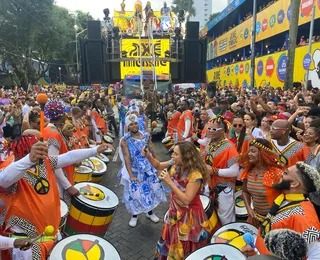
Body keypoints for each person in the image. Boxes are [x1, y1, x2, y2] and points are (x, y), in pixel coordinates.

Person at [0, 132, 110, 259]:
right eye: (36, 150)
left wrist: (95, 150)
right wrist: (29, 160)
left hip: (51, 237)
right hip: (27, 246)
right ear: (24, 151)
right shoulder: (11, 169)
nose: (42, 153)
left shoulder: (44, 162)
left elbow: (69, 157)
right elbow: (4, 180)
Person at [143, 142, 210, 260]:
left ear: (186, 157)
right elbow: (158, 165)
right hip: (175, 212)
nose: (172, 156)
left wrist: (169, 182)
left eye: (175, 154)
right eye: (173, 153)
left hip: (189, 216)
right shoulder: (175, 164)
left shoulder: (195, 175)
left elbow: (186, 200)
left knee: (184, 247)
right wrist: (148, 156)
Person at [241, 162, 320, 256]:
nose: (281, 173)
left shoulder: (303, 216)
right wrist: (256, 243)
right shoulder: (284, 198)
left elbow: (316, 253)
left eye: (286, 173)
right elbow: (271, 228)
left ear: (294, 184)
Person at [118, 114, 166, 227]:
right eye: (131, 124)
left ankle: (150, 213)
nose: (134, 126)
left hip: (148, 169)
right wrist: (131, 175)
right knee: (134, 194)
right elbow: (127, 158)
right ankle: (134, 215)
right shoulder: (125, 140)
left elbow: (153, 150)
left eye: (135, 123)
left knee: (149, 191)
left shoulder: (146, 135)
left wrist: (158, 167)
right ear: (127, 126)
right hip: (135, 171)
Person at [238, 139, 283, 227]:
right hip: (256, 218)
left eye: (253, 151)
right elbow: (245, 191)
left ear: (263, 153)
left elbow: (286, 196)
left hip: (275, 220)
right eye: (249, 151)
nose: (249, 154)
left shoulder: (276, 173)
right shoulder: (248, 171)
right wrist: (249, 209)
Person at [204, 116, 240, 225]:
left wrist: (214, 171)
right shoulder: (210, 143)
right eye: (209, 128)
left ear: (222, 131)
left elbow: (235, 171)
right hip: (209, 185)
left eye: (214, 129)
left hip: (224, 188)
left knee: (226, 220)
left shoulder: (230, 147)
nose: (210, 131)